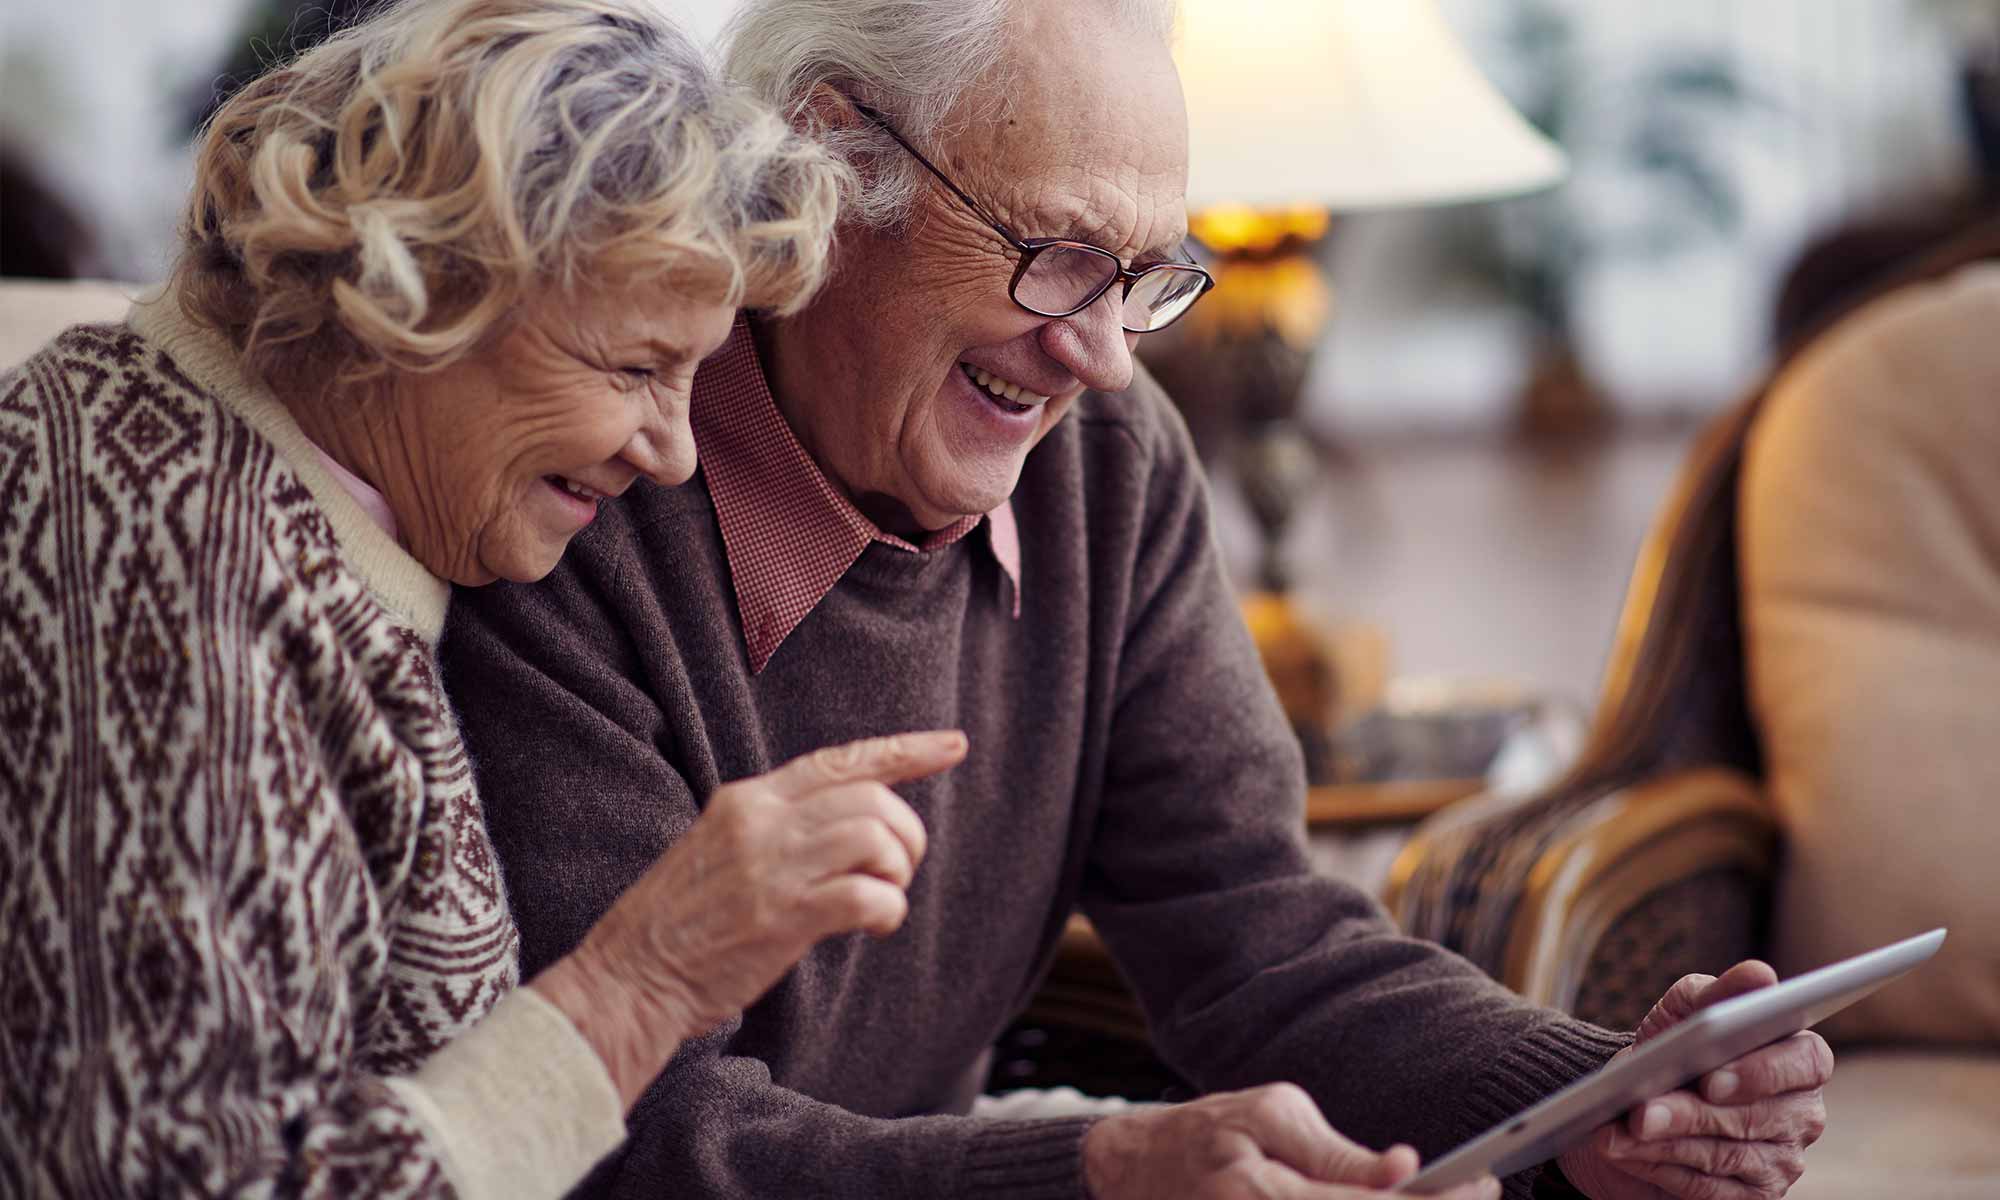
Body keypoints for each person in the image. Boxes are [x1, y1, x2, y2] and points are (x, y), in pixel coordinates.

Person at [442, 1, 1834, 1197]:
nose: (1103, 357)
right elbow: (621, 1138)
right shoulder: (572, 496)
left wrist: (1606, 1101)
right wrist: (1092, 1175)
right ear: (829, 156)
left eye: (1146, 277)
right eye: (1052, 252)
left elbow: (1260, 940)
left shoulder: (1103, 462)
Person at [0, 2, 963, 1196]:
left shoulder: (308, 507)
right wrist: (639, 985)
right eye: (632, 369)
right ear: (416, 292)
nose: (669, 452)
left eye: (691, 374)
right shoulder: (167, 565)